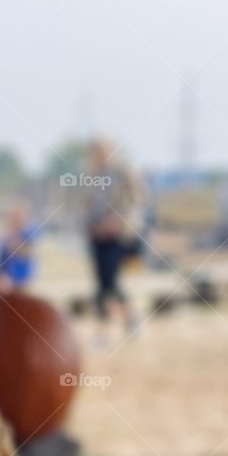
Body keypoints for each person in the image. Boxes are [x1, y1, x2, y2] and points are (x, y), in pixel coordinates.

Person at [84, 139, 143, 335]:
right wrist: (93, 226)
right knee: (101, 285)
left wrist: (116, 221)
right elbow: (87, 204)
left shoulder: (122, 173)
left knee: (111, 282)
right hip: (97, 235)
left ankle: (130, 317)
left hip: (117, 234)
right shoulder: (91, 175)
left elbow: (135, 200)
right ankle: (105, 328)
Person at [0, 203, 41, 293]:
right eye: (12, 216)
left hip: (22, 280)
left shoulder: (28, 232)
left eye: (18, 216)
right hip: (4, 279)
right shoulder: (4, 234)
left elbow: (27, 251)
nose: (14, 219)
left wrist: (13, 241)